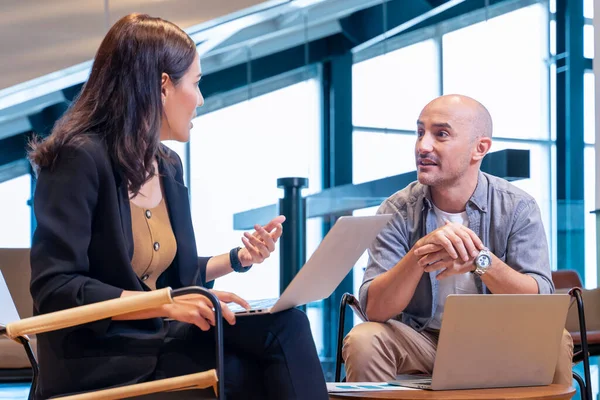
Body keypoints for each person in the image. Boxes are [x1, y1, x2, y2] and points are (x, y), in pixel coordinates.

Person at [28, 13, 327, 400]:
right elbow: (57, 288)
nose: (201, 98)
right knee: (246, 374)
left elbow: (175, 276)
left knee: (287, 325)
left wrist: (234, 261)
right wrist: (166, 306)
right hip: (102, 360)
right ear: (162, 86)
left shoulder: (168, 165)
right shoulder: (79, 157)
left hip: (160, 343)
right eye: (196, 83)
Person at [342, 94, 573, 385]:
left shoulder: (517, 207)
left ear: (480, 148)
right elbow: (375, 310)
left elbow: (540, 302)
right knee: (364, 339)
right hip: (420, 340)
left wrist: (480, 261)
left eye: (441, 134)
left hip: (498, 340)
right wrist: (418, 254)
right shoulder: (396, 210)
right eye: (420, 133)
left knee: (554, 339)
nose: (423, 146)